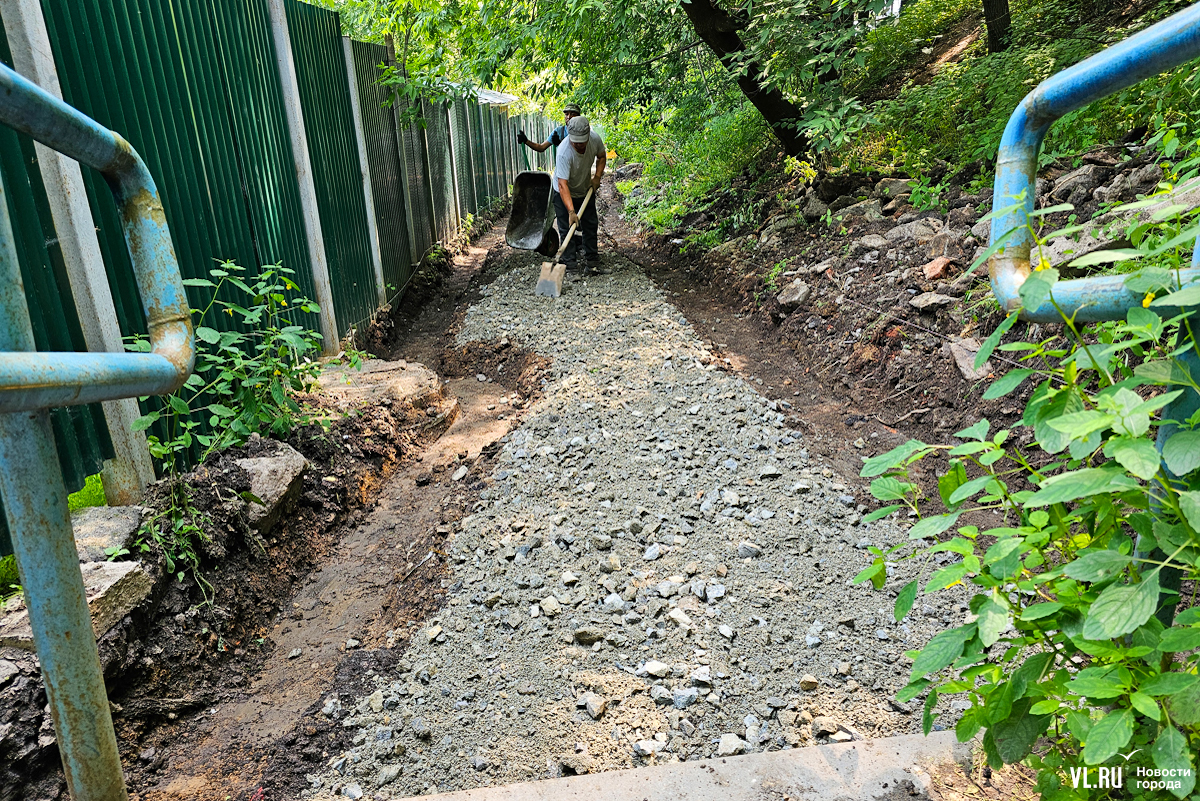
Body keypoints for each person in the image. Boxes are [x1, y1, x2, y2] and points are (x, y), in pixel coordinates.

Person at [552, 115, 606, 275]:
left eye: (583, 142)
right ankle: (570, 266)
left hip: (584, 189)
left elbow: (602, 156)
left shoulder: (595, 139)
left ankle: (592, 263)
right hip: (563, 192)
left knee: (590, 224)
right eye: (576, 143)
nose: (580, 146)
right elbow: (563, 185)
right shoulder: (563, 152)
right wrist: (571, 211)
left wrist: (597, 177)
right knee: (566, 228)